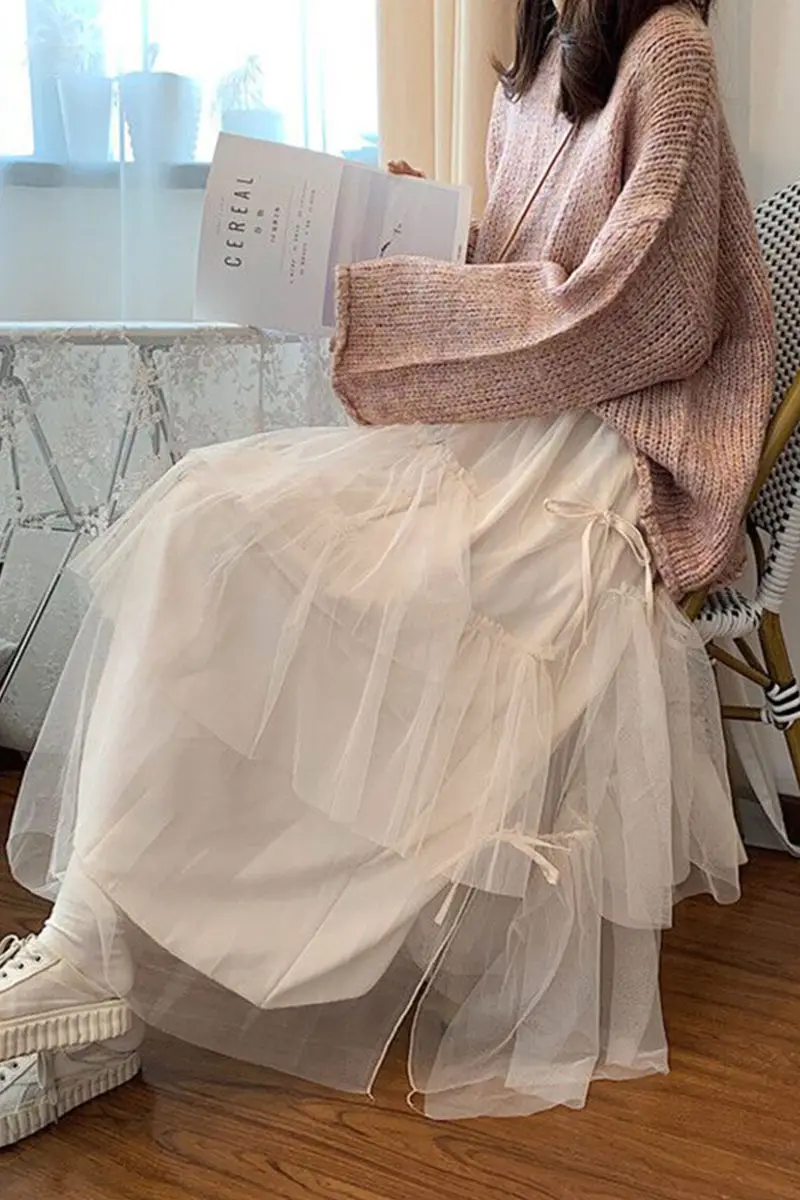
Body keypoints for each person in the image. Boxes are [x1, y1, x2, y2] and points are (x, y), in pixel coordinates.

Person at [0, 0, 775, 1144]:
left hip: (583, 465)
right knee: (202, 529)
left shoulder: (668, 55)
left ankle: (88, 970)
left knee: (223, 534)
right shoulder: (539, 63)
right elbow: (535, 272)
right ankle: (91, 957)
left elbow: (643, 316)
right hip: (497, 438)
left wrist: (410, 293)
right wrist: (438, 243)